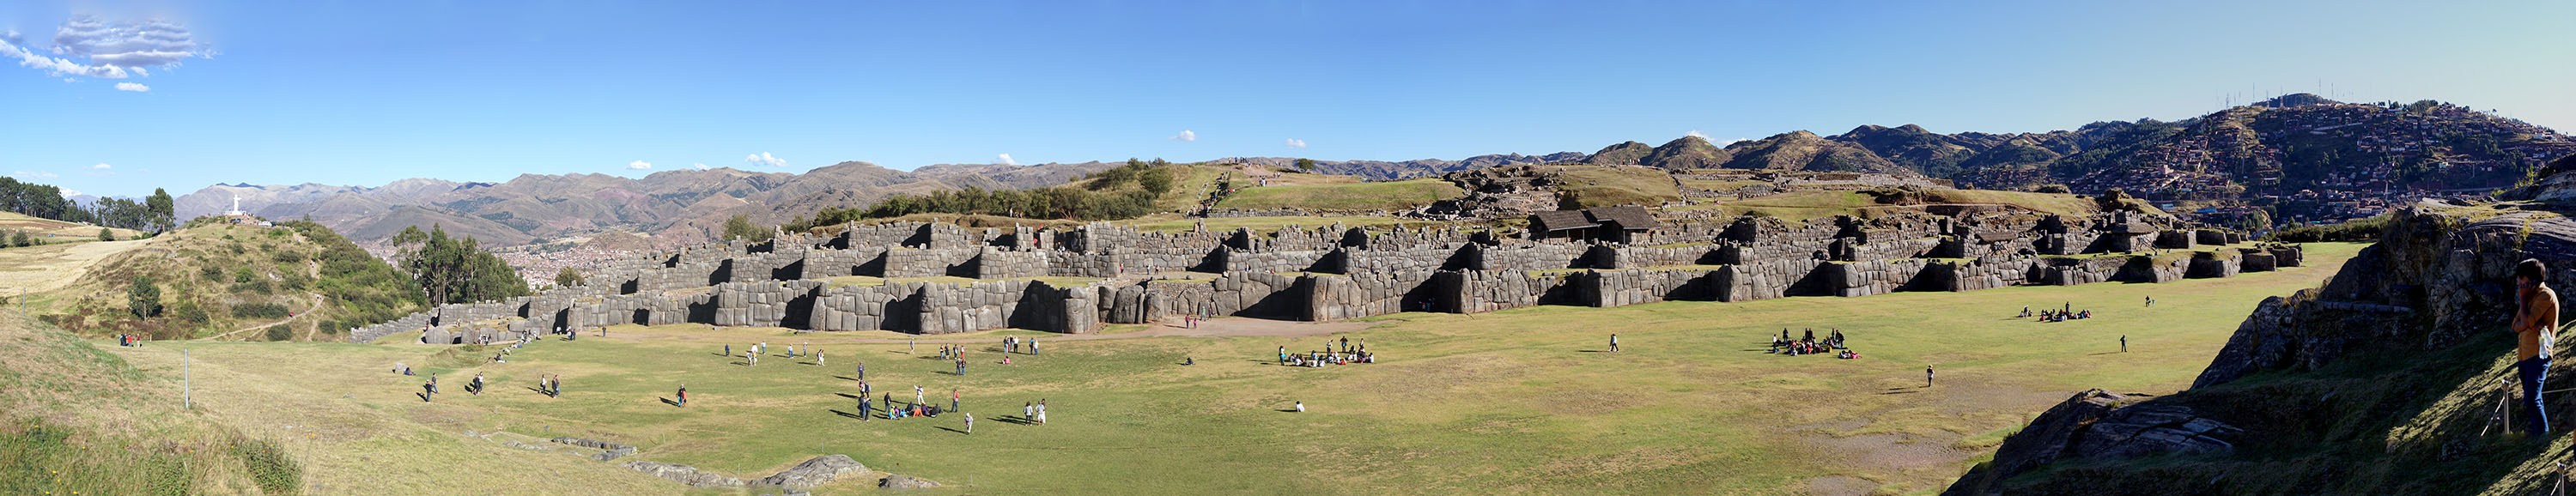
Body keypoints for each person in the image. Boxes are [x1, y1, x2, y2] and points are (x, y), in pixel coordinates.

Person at [2514, 258, 2559, 435]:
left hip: (2538, 355)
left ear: (2532, 280)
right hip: (2524, 355)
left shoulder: (2545, 295)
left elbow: (2525, 321)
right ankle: (2538, 433)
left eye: (2522, 280)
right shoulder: (2531, 297)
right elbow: (2515, 325)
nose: (2519, 284)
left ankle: (2542, 435)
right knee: (2531, 398)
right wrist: (2527, 322)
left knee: (2532, 399)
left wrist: (2523, 300)